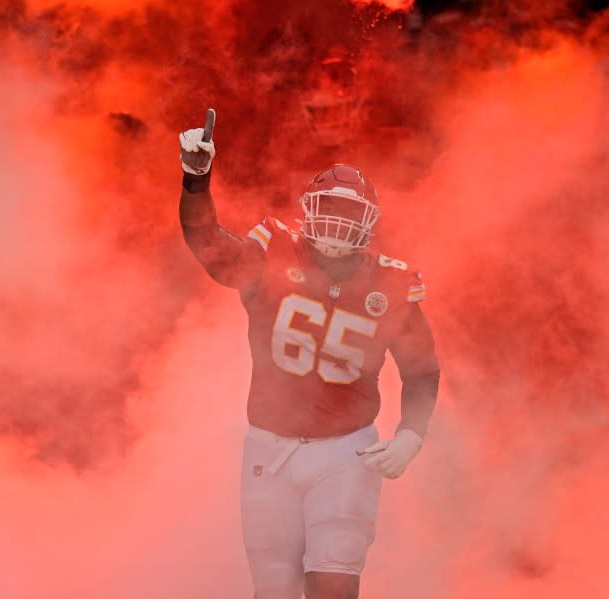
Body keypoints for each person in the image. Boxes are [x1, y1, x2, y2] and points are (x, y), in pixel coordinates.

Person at [178, 109, 440, 599]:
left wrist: (411, 433)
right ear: (310, 208)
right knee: (273, 589)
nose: (339, 225)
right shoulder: (273, 249)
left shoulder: (391, 281)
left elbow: (421, 368)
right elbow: (210, 248)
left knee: (334, 583)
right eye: (331, 210)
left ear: (368, 223)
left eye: (350, 214)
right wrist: (196, 182)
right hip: (268, 446)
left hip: (345, 449)